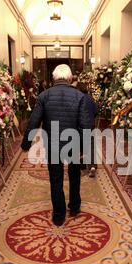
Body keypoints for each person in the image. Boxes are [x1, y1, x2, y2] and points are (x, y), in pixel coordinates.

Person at [21, 65, 92, 227]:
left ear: (54, 78)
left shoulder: (44, 96)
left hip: (52, 143)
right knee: (75, 175)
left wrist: (26, 143)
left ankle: (59, 215)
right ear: (69, 78)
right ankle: (74, 207)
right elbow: (85, 125)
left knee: (56, 178)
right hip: (73, 143)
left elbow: (34, 121)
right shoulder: (79, 96)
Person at [76, 82, 98, 178]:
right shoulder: (90, 98)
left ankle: (82, 165)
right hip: (91, 125)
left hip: (80, 125)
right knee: (91, 145)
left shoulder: (77, 98)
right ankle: (92, 166)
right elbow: (96, 110)